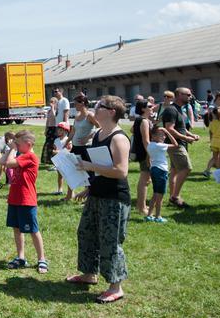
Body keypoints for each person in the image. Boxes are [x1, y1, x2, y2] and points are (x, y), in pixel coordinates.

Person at [67, 96, 132, 304]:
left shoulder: (118, 138)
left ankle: (115, 286)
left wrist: (90, 167)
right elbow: (98, 165)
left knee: (110, 241)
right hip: (96, 194)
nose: (95, 108)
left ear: (111, 111)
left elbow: (121, 171)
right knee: (86, 233)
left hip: (114, 198)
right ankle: (89, 274)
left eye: (99, 106)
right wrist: (89, 187)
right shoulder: (98, 134)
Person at [1, 130, 47, 274]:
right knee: (16, 228)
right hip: (15, 198)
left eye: (18, 144)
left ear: (28, 144)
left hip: (26, 200)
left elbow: (7, 163)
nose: (16, 146)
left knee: (33, 230)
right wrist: (11, 148)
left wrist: (13, 149)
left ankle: (42, 259)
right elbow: (2, 161)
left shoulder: (30, 157)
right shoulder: (21, 155)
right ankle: (21, 257)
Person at [161, 87, 201, 208]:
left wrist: (191, 135)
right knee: (186, 168)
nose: (190, 96)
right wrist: (185, 138)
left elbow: (181, 129)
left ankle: (172, 197)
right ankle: (175, 197)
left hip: (180, 143)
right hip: (175, 145)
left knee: (174, 171)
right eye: (187, 94)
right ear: (178, 95)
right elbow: (170, 129)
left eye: (190, 94)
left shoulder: (180, 110)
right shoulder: (171, 110)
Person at [145, 125, 177, 223]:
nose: (163, 137)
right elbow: (175, 144)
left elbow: (147, 158)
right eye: (161, 135)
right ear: (153, 136)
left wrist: (150, 166)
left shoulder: (150, 145)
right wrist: (168, 132)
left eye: (164, 135)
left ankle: (149, 215)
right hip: (161, 171)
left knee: (155, 193)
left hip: (154, 169)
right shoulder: (160, 146)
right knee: (160, 195)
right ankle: (158, 216)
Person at [131, 101, 153, 215]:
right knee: (145, 180)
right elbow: (146, 141)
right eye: (149, 106)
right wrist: (149, 156)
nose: (152, 107)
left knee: (145, 180)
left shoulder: (139, 119)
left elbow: (132, 130)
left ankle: (141, 205)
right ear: (143, 109)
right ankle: (142, 207)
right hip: (145, 154)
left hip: (141, 152)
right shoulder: (144, 121)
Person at [203, 107, 220, 177]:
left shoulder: (211, 123)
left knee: (214, 158)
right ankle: (219, 172)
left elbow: (211, 133)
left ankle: (207, 170)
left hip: (214, 141)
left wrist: (211, 142)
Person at [51, 122, 72, 196]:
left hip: (66, 160)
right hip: (59, 160)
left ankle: (70, 192)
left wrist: (59, 152)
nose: (57, 131)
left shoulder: (67, 140)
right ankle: (60, 189)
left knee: (68, 176)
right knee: (60, 175)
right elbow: (54, 149)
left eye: (60, 130)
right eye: (57, 130)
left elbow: (70, 150)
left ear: (65, 131)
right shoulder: (56, 140)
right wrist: (54, 152)